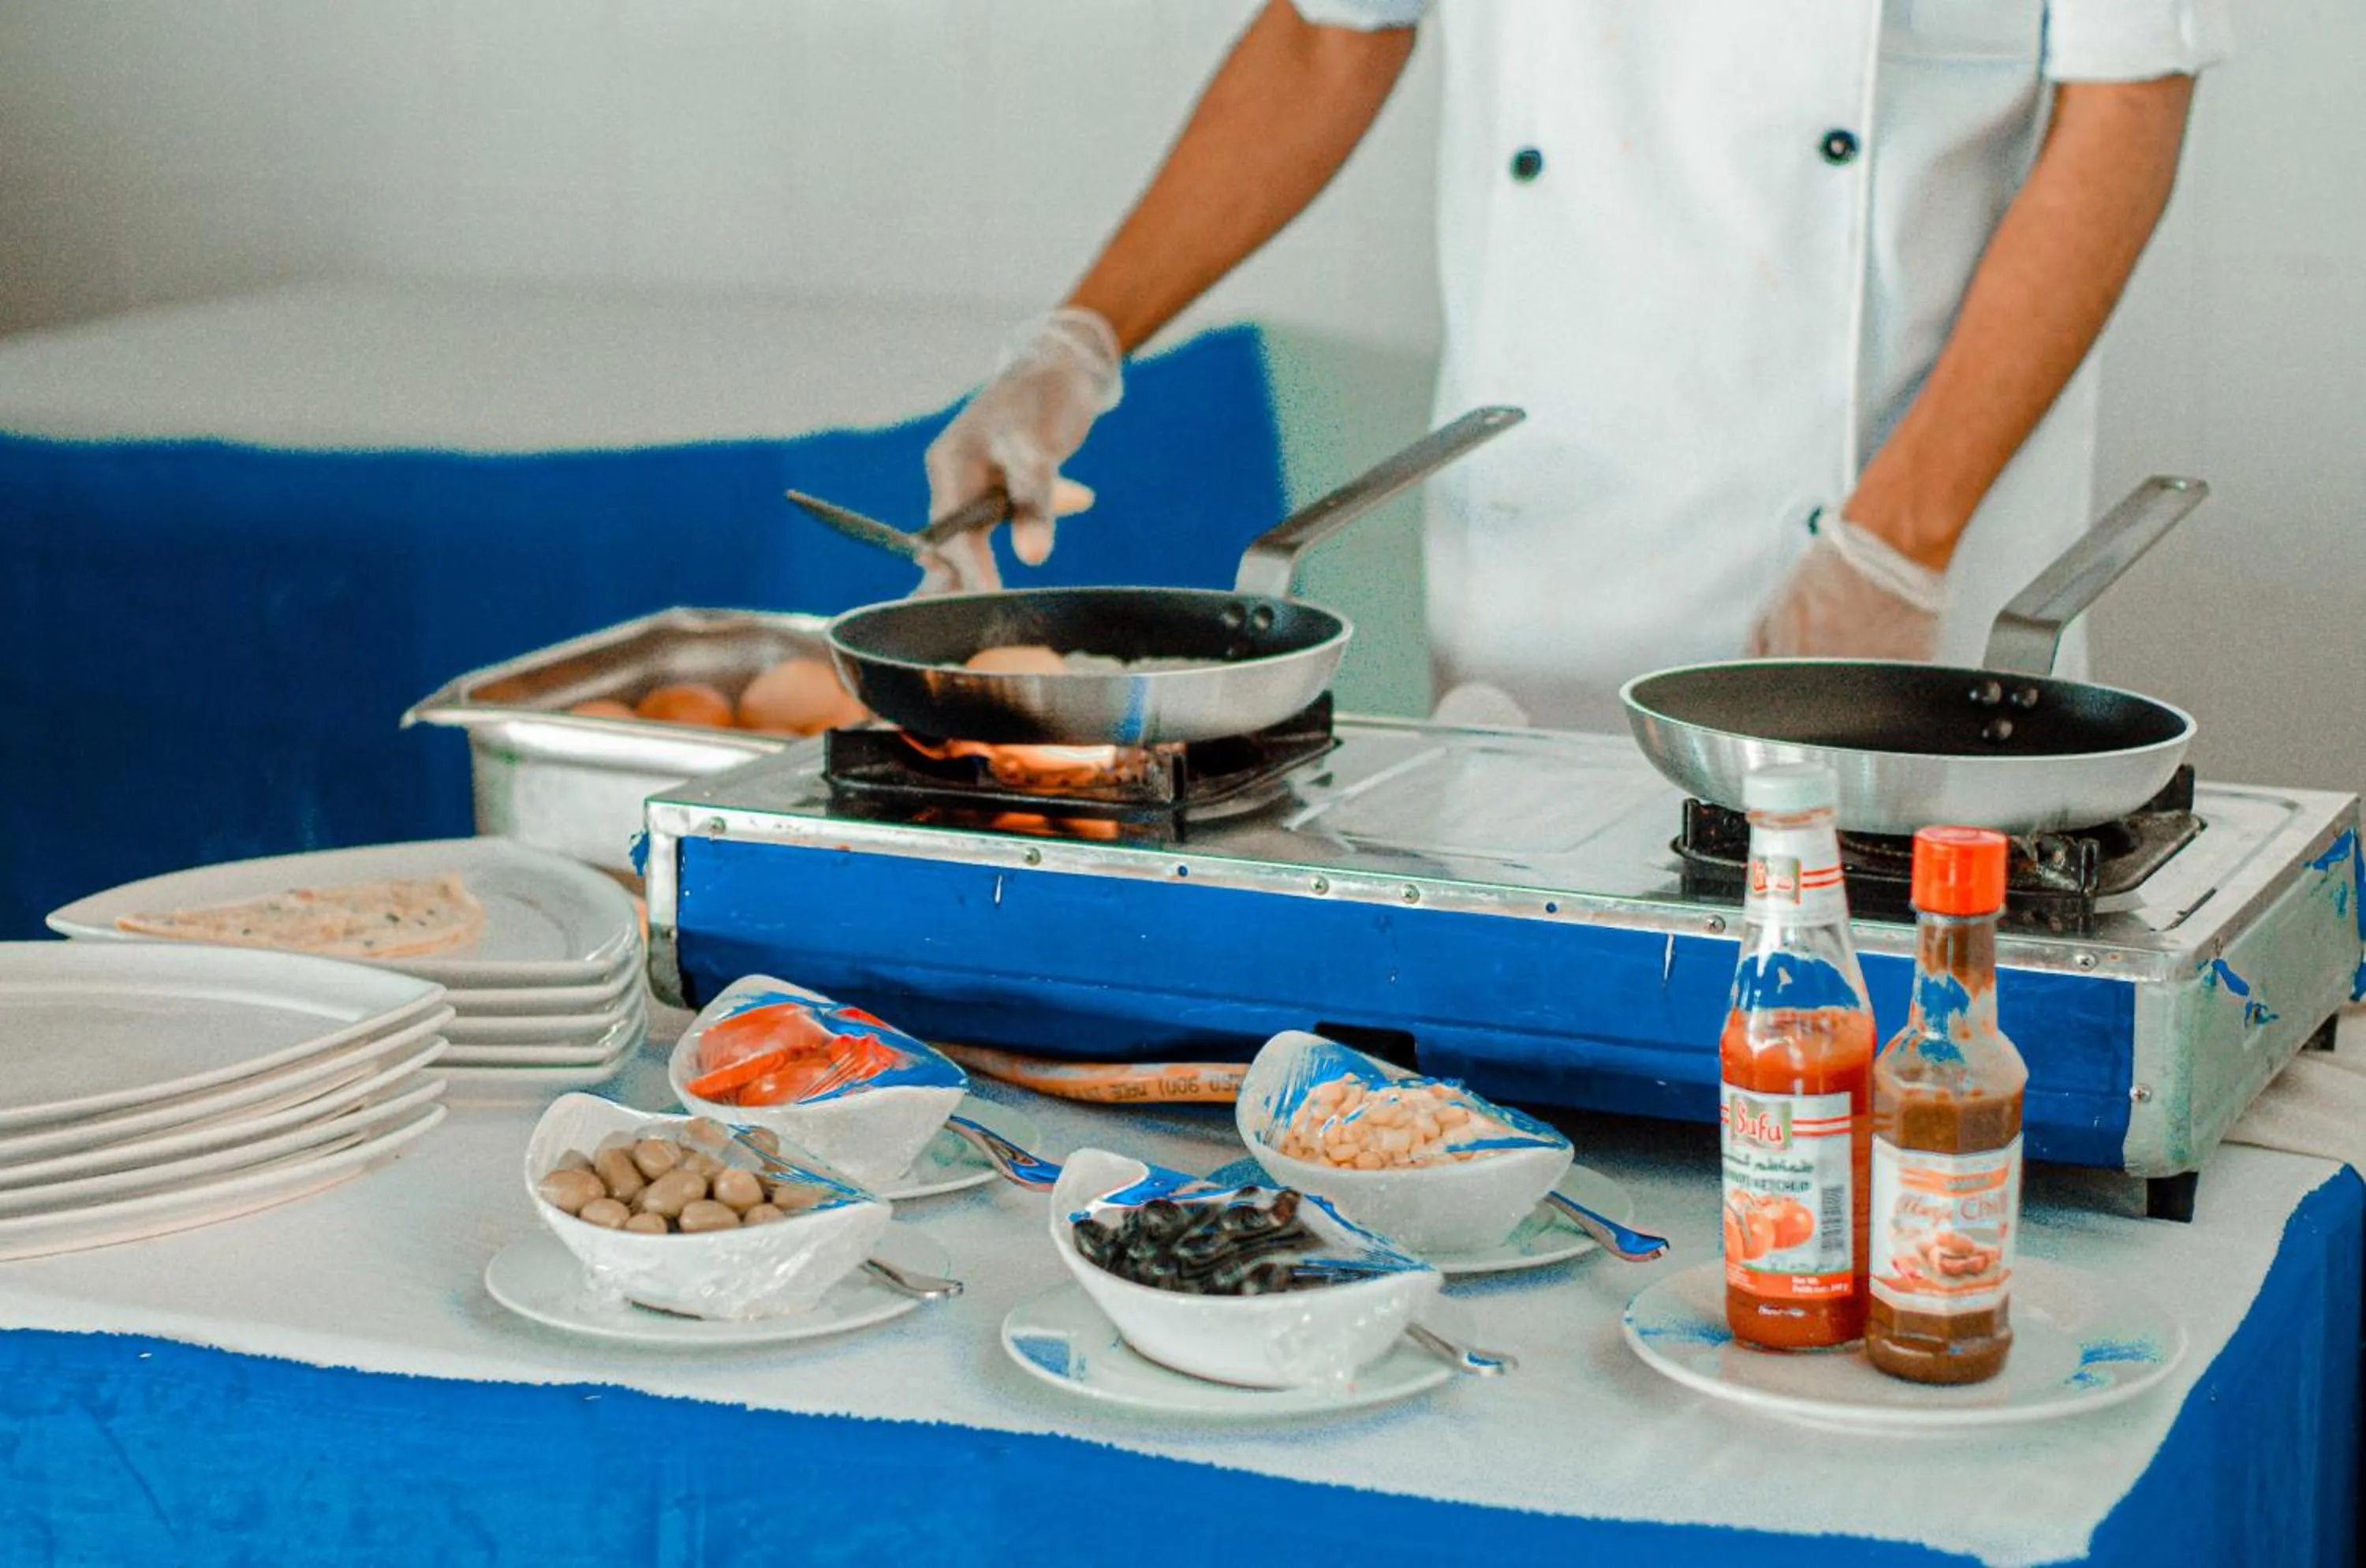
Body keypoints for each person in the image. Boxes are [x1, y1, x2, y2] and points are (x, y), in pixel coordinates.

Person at [920, 0, 2229, 731]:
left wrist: (1899, 541)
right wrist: (1078, 341)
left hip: (1894, 538)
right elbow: (1332, 32)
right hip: (1543, 553)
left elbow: (2126, 113)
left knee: (1875, 1089)